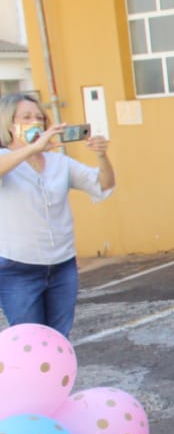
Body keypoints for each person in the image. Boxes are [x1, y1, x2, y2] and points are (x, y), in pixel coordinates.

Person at [0, 93, 115, 335]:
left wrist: (102, 156)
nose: (35, 122)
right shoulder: (5, 159)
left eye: (39, 117)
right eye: (26, 117)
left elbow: (103, 184)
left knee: (58, 337)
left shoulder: (58, 162)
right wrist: (32, 149)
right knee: (29, 338)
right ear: (9, 123)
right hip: (18, 267)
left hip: (62, 265)